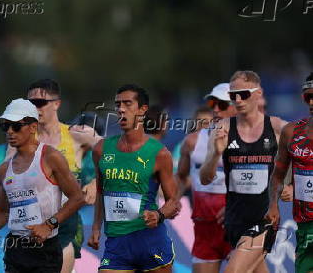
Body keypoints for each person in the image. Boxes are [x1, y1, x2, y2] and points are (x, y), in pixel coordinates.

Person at [0, 98, 84, 273]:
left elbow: (77, 197)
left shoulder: (50, 157)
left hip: (46, 249)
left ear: (33, 127)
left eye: (16, 126)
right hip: (16, 249)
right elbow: (3, 212)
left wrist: (48, 225)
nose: (10, 131)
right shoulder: (4, 169)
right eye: (6, 126)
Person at [6, 79, 102, 272]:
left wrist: (95, 183)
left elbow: (116, 156)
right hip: (28, 230)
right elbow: (4, 181)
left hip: (65, 226)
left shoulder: (77, 134)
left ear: (57, 103)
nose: (34, 108)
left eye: (40, 103)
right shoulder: (19, 139)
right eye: (30, 104)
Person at [88, 84, 181, 272]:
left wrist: (158, 215)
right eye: (118, 104)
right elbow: (100, 191)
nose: (121, 109)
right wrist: (96, 227)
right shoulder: (101, 149)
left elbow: (174, 202)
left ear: (142, 110)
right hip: (117, 244)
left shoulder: (159, 153)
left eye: (128, 104)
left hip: (151, 242)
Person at [200, 71, 286, 272]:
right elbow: (205, 178)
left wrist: (288, 186)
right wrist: (215, 155)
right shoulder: (223, 128)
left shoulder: (277, 127)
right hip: (234, 220)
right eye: (233, 95)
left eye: (244, 94)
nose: (238, 100)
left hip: (263, 219)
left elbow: (296, 160)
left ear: (258, 94)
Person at [176, 83, 236, 273]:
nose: (216, 109)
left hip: (238, 225)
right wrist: (172, 202)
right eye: (212, 102)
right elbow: (181, 177)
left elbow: (265, 183)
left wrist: (236, 206)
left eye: (223, 104)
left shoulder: (252, 141)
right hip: (205, 229)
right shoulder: (192, 142)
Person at [265, 73, 313, 273]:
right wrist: (273, 205)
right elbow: (277, 175)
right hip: (305, 226)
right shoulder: (291, 132)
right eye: (307, 96)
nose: (311, 101)